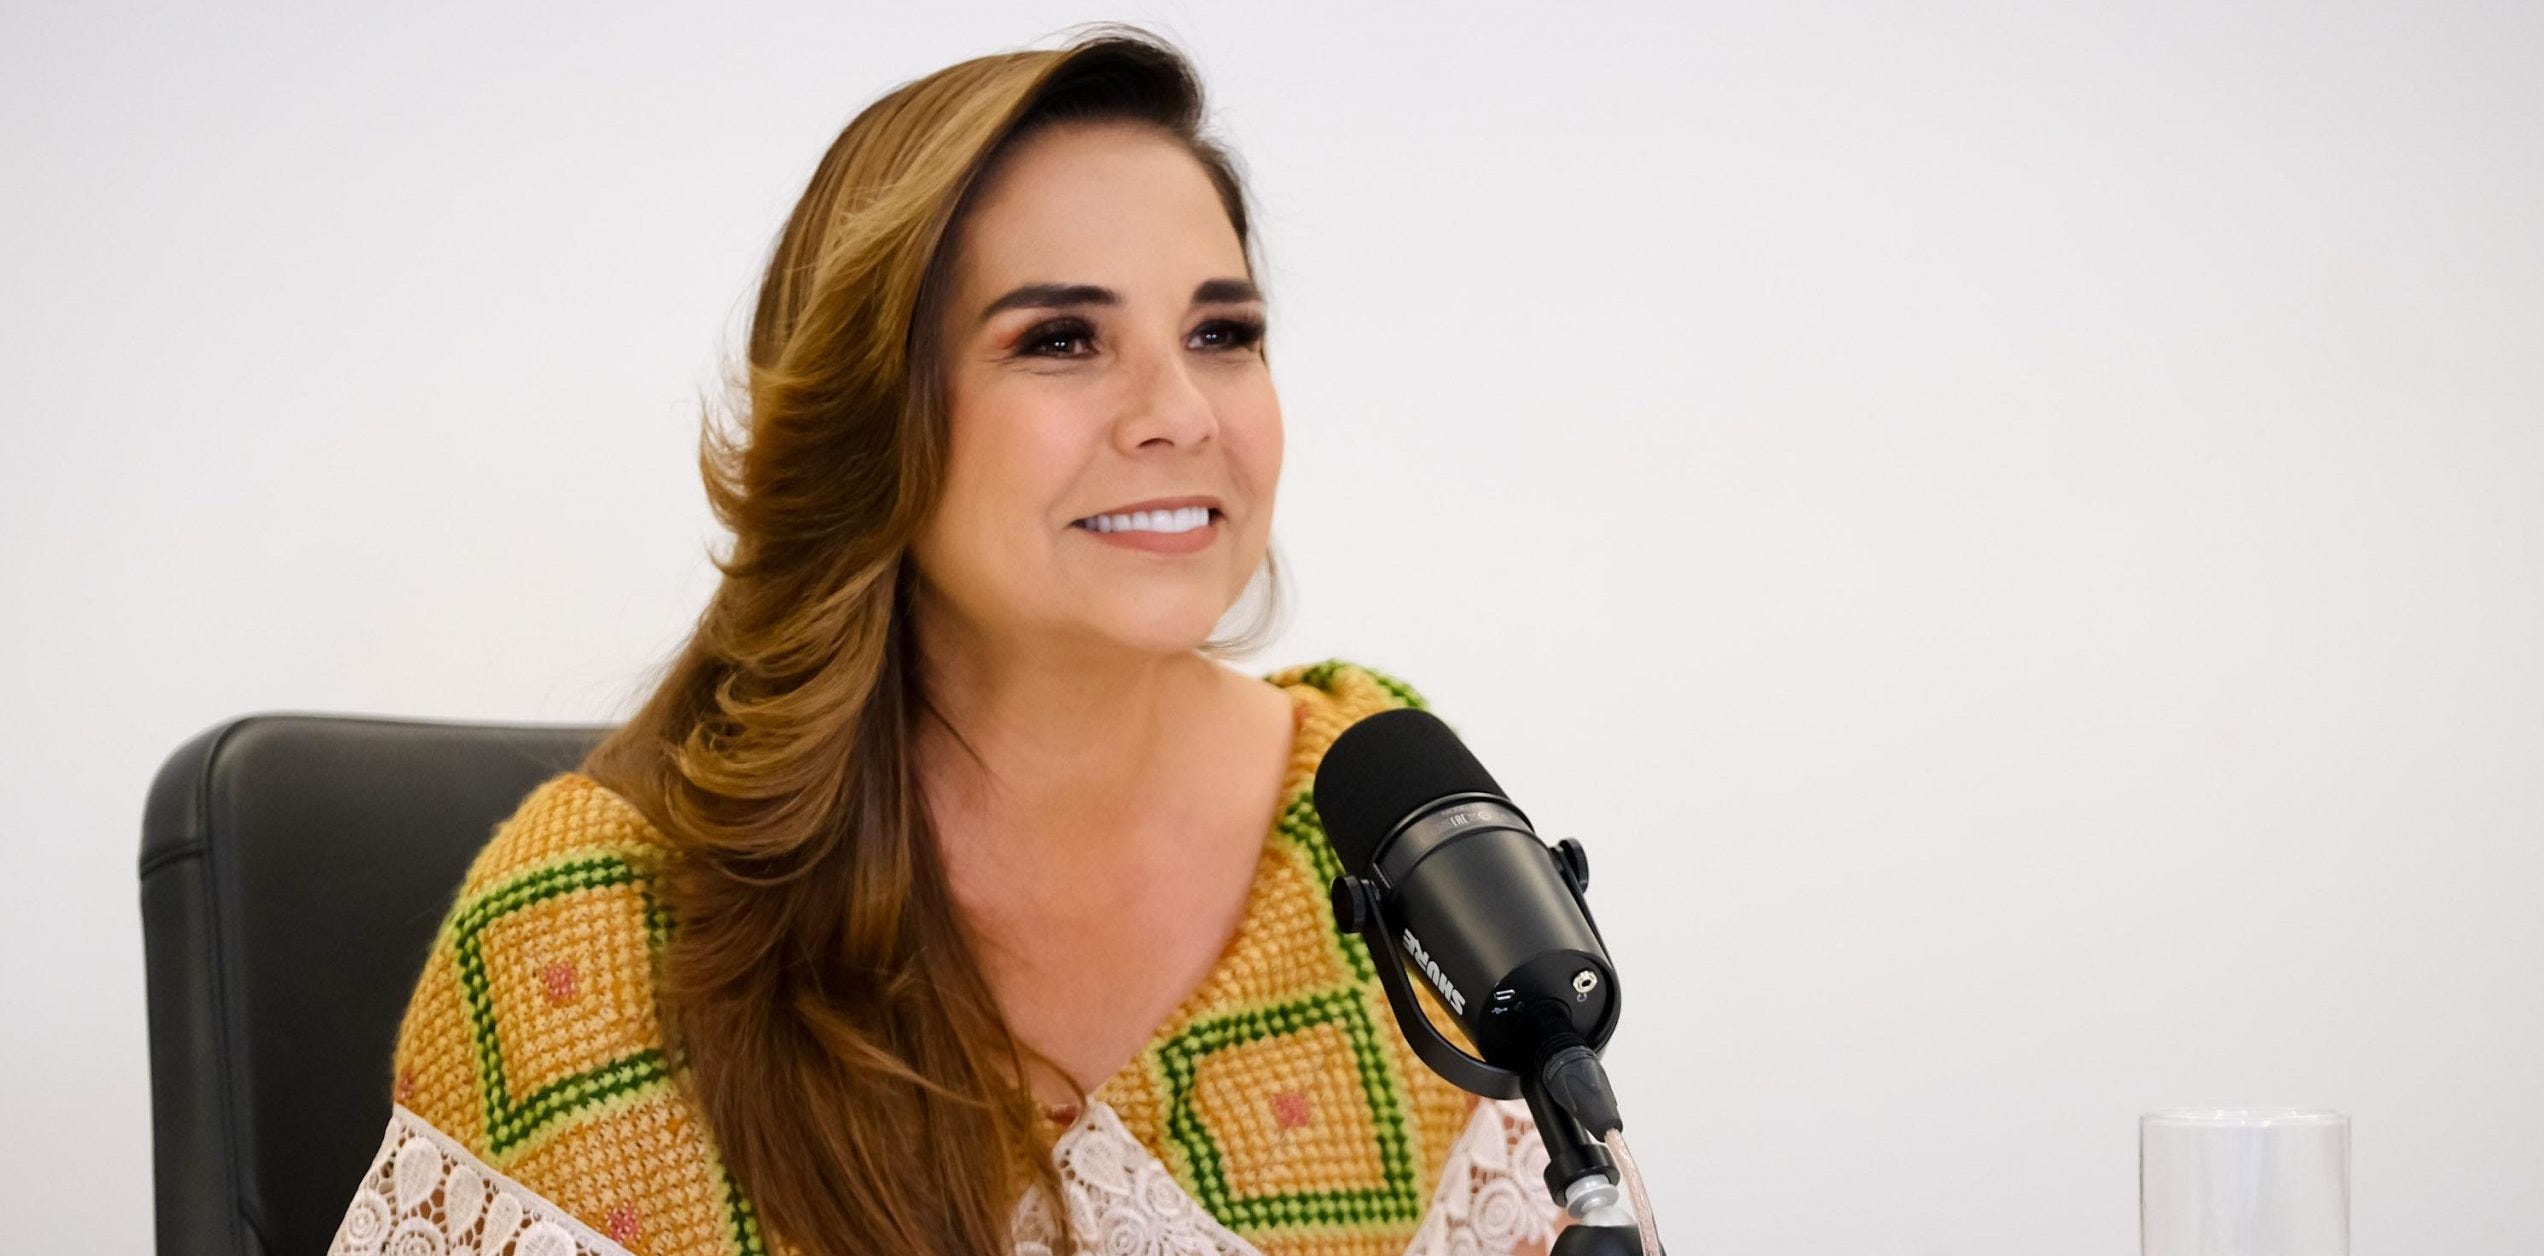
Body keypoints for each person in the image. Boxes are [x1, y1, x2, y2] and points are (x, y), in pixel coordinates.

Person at [329, 24, 1565, 1256]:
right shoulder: (593, 928)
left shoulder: (1383, 827)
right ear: (870, 416)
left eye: (1222, 332)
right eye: (1061, 339)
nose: (1181, 414)